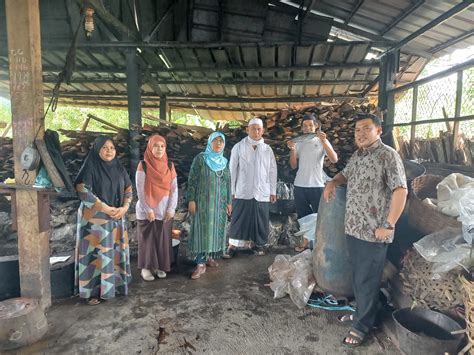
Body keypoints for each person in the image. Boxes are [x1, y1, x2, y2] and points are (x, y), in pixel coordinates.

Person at [323, 114, 407, 347]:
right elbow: (344, 174)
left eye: (366, 129)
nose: (360, 133)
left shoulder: (388, 156)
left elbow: (400, 191)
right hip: (354, 228)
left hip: (375, 231)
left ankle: (362, 326)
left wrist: (388, 224)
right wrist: (332, 182)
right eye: (357, 130)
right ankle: (362, 312)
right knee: (359, 277)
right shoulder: (358, 156)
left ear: (379, 131)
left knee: (368, 278)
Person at [74, 136, 133, 305]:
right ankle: (93, 292)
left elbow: (128, 188)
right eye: (105, 148)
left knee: (112, 254)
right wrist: (105, 208)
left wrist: (125, 207)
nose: (109, 151)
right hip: (94, 221)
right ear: (97, 149)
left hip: (116, 217)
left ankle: (116, 286)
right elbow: (82, 190)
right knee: (96, 257)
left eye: (112, 148)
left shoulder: (119, 168)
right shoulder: (90, 166)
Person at [225, 117, 277, 257]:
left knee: (260, 218)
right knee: (239, 218)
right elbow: (232, 170)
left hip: (262, 190)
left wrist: (273, 191)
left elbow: (272, 170)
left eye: (259, 129)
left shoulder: (267, 149)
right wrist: (232, 191)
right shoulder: (239, 147)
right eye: (253, 128)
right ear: (247, 129)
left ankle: (258, 245)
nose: (256, 131)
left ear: (263, 131)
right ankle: (232, 246)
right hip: (242, 190)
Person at [287, 113, 338, 252]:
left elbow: (334, 159)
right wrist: (292, 150)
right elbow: (293, 165)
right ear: (302, 127)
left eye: (310, 125)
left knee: (320, 215)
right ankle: (305, 243)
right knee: (304, 216)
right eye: (305, 125)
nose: (307, 127)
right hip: (300, 185)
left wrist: (324, 142)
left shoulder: (322, 140)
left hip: (317, 185)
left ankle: (321, 245)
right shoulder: (298, 142)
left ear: (316, 126)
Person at [187, 132, 232, 279]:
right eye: (215, 141)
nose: (218, 144)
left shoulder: (224, 162)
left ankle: (210, 256)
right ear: (210, 142)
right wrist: (191, 199)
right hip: (203, 203)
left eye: (221, 141)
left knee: (216, 231)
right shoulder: (201, 159)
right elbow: (192, 180)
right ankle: (200, 263)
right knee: (202, 231)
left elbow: (228, 183)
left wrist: (229, 202)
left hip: (219, 204)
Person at [135, 134, 178, 281]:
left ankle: (160, 266)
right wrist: (148, 209)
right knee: (148, 239)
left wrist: (171, 209)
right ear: (149, 147)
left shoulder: (169, 165)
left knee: (163, 239)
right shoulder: (144, 165)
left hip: (164, 210)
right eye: (155, 146)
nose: (159, 149)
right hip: (147, 210)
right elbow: (140, 190)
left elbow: (174, 189)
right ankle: (146, 268)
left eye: (162, 146)